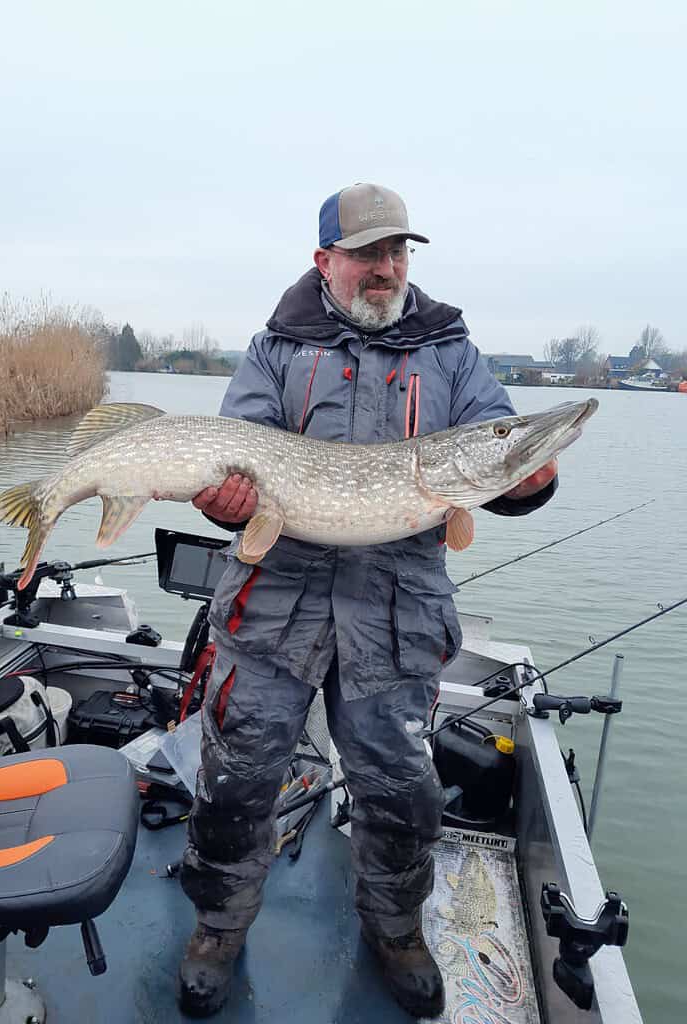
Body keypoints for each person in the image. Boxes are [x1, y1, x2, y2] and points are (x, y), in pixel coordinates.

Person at [177, 183, 557, 1018]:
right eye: (368, 254)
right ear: (325, 262)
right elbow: (226, 461)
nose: (387, 269)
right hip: (273, 607)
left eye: (398, 253)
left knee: (400, 792)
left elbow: (497, 442)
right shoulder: (277, 347)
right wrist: (221, 501)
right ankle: (219, 923)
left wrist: (530, 478)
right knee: (237, 779)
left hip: (397, 611)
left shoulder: (449, 350)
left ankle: (394, 928)